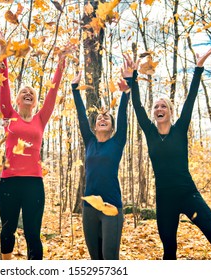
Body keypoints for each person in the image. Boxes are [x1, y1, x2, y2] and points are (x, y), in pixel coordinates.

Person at [123, 47, 211, 260]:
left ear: (170, 111)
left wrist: (199, 68)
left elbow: (191, 99)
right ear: (154, 113)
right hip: (165, 199)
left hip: (188, 193)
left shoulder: (180, 129)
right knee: (169, 249)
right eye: (155, 106)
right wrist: (133, 78)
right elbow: (136, 105)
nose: (158, 108)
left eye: (163, 105)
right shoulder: (150, 132)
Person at [0, 31, 75, 260]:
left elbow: (53, 91)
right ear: (17, 100)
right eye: (23, 92)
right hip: (8, 182)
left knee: (32, 234)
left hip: (33, 184)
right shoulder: (9, 115)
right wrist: (3, 55)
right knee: (8, 230)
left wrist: (61, 62)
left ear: (35, 101)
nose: (28, 93)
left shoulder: (41, 118)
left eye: (31, 92)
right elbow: (4, 87)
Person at [71, 71, 129, 260]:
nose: (102, 120)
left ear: (112, 127)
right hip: (89, 207)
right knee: (95, 259)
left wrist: (125, 94)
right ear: (94, 126)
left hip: (111, 206)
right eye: (99, 119)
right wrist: (74, 89)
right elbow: (81, 116)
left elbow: (122, 116)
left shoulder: (117, 142)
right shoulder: (89, 142)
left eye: (107, 119)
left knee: (110, 258)